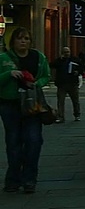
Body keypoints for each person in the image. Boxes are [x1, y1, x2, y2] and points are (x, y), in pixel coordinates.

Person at [0, 27, 51, 193]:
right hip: (10, 104)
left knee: (34, 141)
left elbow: (46, 75)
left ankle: (29, 179)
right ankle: (13, 179)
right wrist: (9, 74)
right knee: (14, 143)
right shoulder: (3, 58)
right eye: (20, 38)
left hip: (31, 104)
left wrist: (37, 83)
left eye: (27, 39)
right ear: (13, 41)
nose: (23, 41)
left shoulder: (38, 57)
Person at [51, 46, 83, 123]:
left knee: (75, 101)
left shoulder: (75, 59)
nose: (66, 54)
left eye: (67, 52)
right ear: (62, 53)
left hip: (73, 83)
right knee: (60, 101)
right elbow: (52, 65)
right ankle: (61, 116)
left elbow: (81, 68)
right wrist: (60, 59)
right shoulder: (59, 61)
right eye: (65, 52)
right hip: (62, 84)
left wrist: (78, 72)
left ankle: (77, 115)